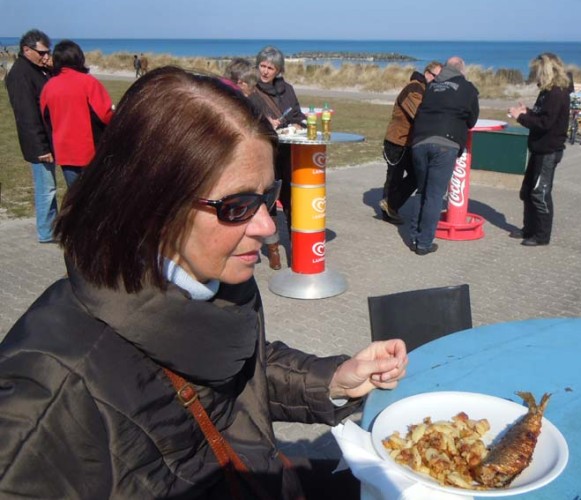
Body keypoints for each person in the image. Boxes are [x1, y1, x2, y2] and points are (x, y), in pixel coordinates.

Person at [0, 67, 408, 499]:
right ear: (152, 203)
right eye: (238, 206)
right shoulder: (47, 393)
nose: (268, 227)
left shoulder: (212, 279)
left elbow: (233, 366)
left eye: (268, 197)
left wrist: (333, 379)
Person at [409, 56, 480, 255]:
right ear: (462, 70)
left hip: (419, 142)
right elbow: (472, 120)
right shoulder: (467, 88)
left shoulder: (431, 86)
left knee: (421, 192)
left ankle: (414, 235)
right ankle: (424, 244)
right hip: (445, 144)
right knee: (434, 195)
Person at [225, 56, 283, 270]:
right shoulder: (229, 98)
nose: (252, 92)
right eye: (251, 87)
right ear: (241, 83)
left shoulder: (219, 92)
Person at [508, 53, 571, 246]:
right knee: (528, 191)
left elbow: (545, 123)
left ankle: (542, 235)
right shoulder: (547, 92)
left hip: (548, 150)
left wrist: (520, 117)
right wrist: (527, 112)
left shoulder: (557, 93)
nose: (534, 75)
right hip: (539, 148)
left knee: (540, 192)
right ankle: (529, 228)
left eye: (536, 71)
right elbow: (542, 116)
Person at [248, 46, 306, 241]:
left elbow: (297, 114)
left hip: (287, 152)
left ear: (278, 70)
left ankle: (296, 244)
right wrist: (265, 122)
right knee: (267, 201)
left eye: (270, 68)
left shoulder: (287, 89)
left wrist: (298, 124)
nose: (264, 71)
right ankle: (273, 249)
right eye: (262, 66)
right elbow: (244, 119)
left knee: (291, 200)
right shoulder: (251, 91)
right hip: (264, 153)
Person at [5, 29, 57, 243]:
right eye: (42, 52)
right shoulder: (20, 74)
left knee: (50, 187)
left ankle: (51, 226)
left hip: (50, 138)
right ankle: (46, 231)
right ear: (26, 50)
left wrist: (52, 68)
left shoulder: (38, 69)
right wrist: (41, 148)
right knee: (46, 188)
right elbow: (26, 116)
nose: (46, 56)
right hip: (39, 144)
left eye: (48, 52)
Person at [40, 40, 114, 188]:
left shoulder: (49, 86)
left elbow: (46, 118)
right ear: (79, 58)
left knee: (75, 196)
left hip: (65, 151)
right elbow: (105, 115)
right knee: (95, 195)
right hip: (90, 151)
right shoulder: (88, 83)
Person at [379, 61, 442, 225]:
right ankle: (389, 210)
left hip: (408, 142)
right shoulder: (415, 88)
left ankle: (391, 206)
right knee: (395, 177)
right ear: (428, 73)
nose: (438, 80)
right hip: (397, 141)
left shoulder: (423, 89)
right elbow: (419, 114)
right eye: (436, 76)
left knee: (415, 175)